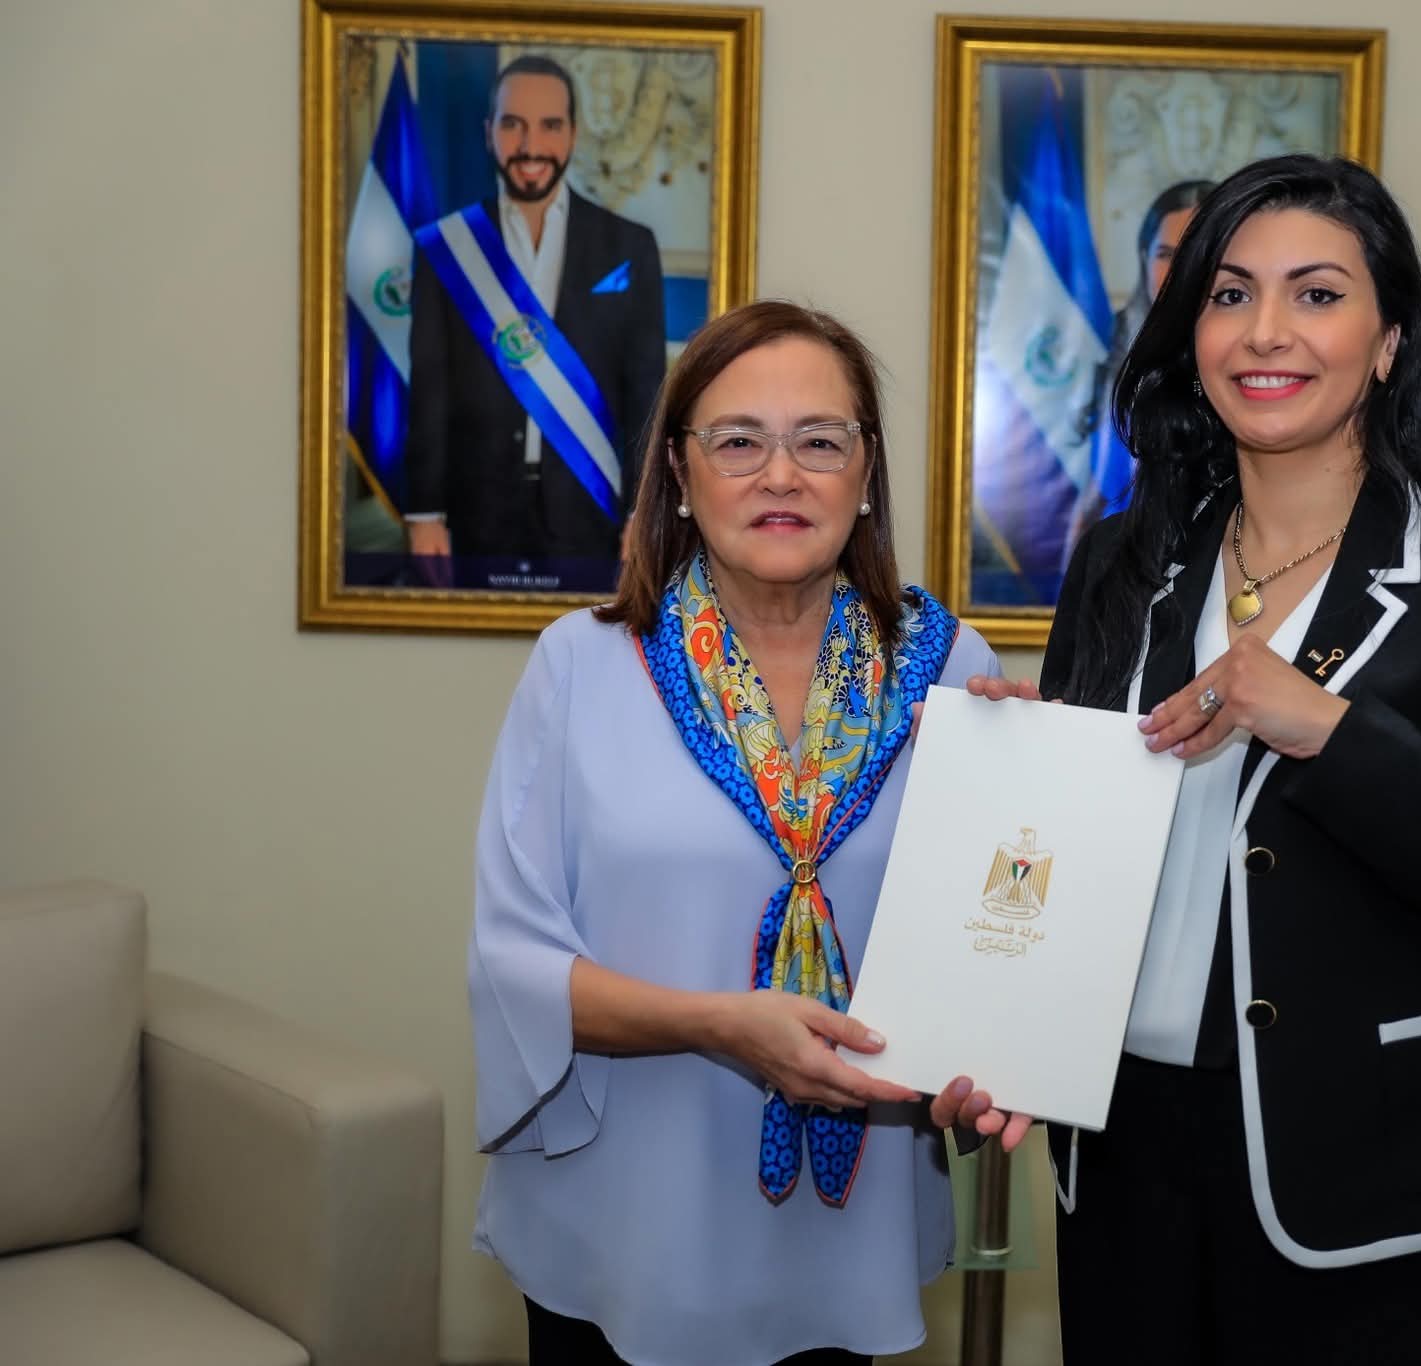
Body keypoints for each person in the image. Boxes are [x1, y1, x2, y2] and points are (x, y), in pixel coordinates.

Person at [945, 154, 1421, 1363]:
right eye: (1228, 293)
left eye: (1315, 294)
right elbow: (1074, 872)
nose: (1265, 331)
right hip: (1123, 1158)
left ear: (1387, 340)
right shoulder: (1118, 562)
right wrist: (1036, 778)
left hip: (1373, 1171)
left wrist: (1327, 728)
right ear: (1190, 335)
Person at [468, 300, 1003, 1365]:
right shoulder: (580, 665)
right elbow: (513, 968)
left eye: (820, 442)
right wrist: (720, 1024)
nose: (781, 475)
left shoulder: (952, 671)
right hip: (623, 1217)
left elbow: (992, 950)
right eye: (738, 442)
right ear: (680, 471)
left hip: (847, 1233)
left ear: (865, 471)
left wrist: (1035, 789)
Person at [406, 55, 667, 589]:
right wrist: (424, 514)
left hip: (591, 514)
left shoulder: (631, 247)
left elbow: (647, 394)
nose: (531, 146)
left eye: (549, 125)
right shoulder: (444, 248)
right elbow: (429, 389)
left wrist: (644, 512)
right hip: (474, 515)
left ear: (572, 134)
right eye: (513, 124)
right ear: (489, 133)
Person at [1063, 178, 1215, 566]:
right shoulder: (1110, 342)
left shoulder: (1249, 359)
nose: (1179, 271)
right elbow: (1097, 487)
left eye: (1195, 254)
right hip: (1118, 557)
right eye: (1165, 254)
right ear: (1144, 257)